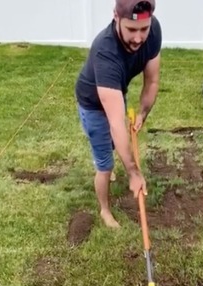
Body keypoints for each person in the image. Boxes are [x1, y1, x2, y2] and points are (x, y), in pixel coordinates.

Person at [75, 0, 161, 229]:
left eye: (144, 29)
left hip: (115, 89)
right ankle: (104, 210)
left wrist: (143, 112)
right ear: (116, 17)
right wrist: (133, 172)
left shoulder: (153, 32)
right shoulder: (105, 52)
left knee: (116, 141)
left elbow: (152, 81)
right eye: (131, 29)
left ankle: (111, 163)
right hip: (93, 105)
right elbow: (115, 121)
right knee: (104, 164)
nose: (138, 38)